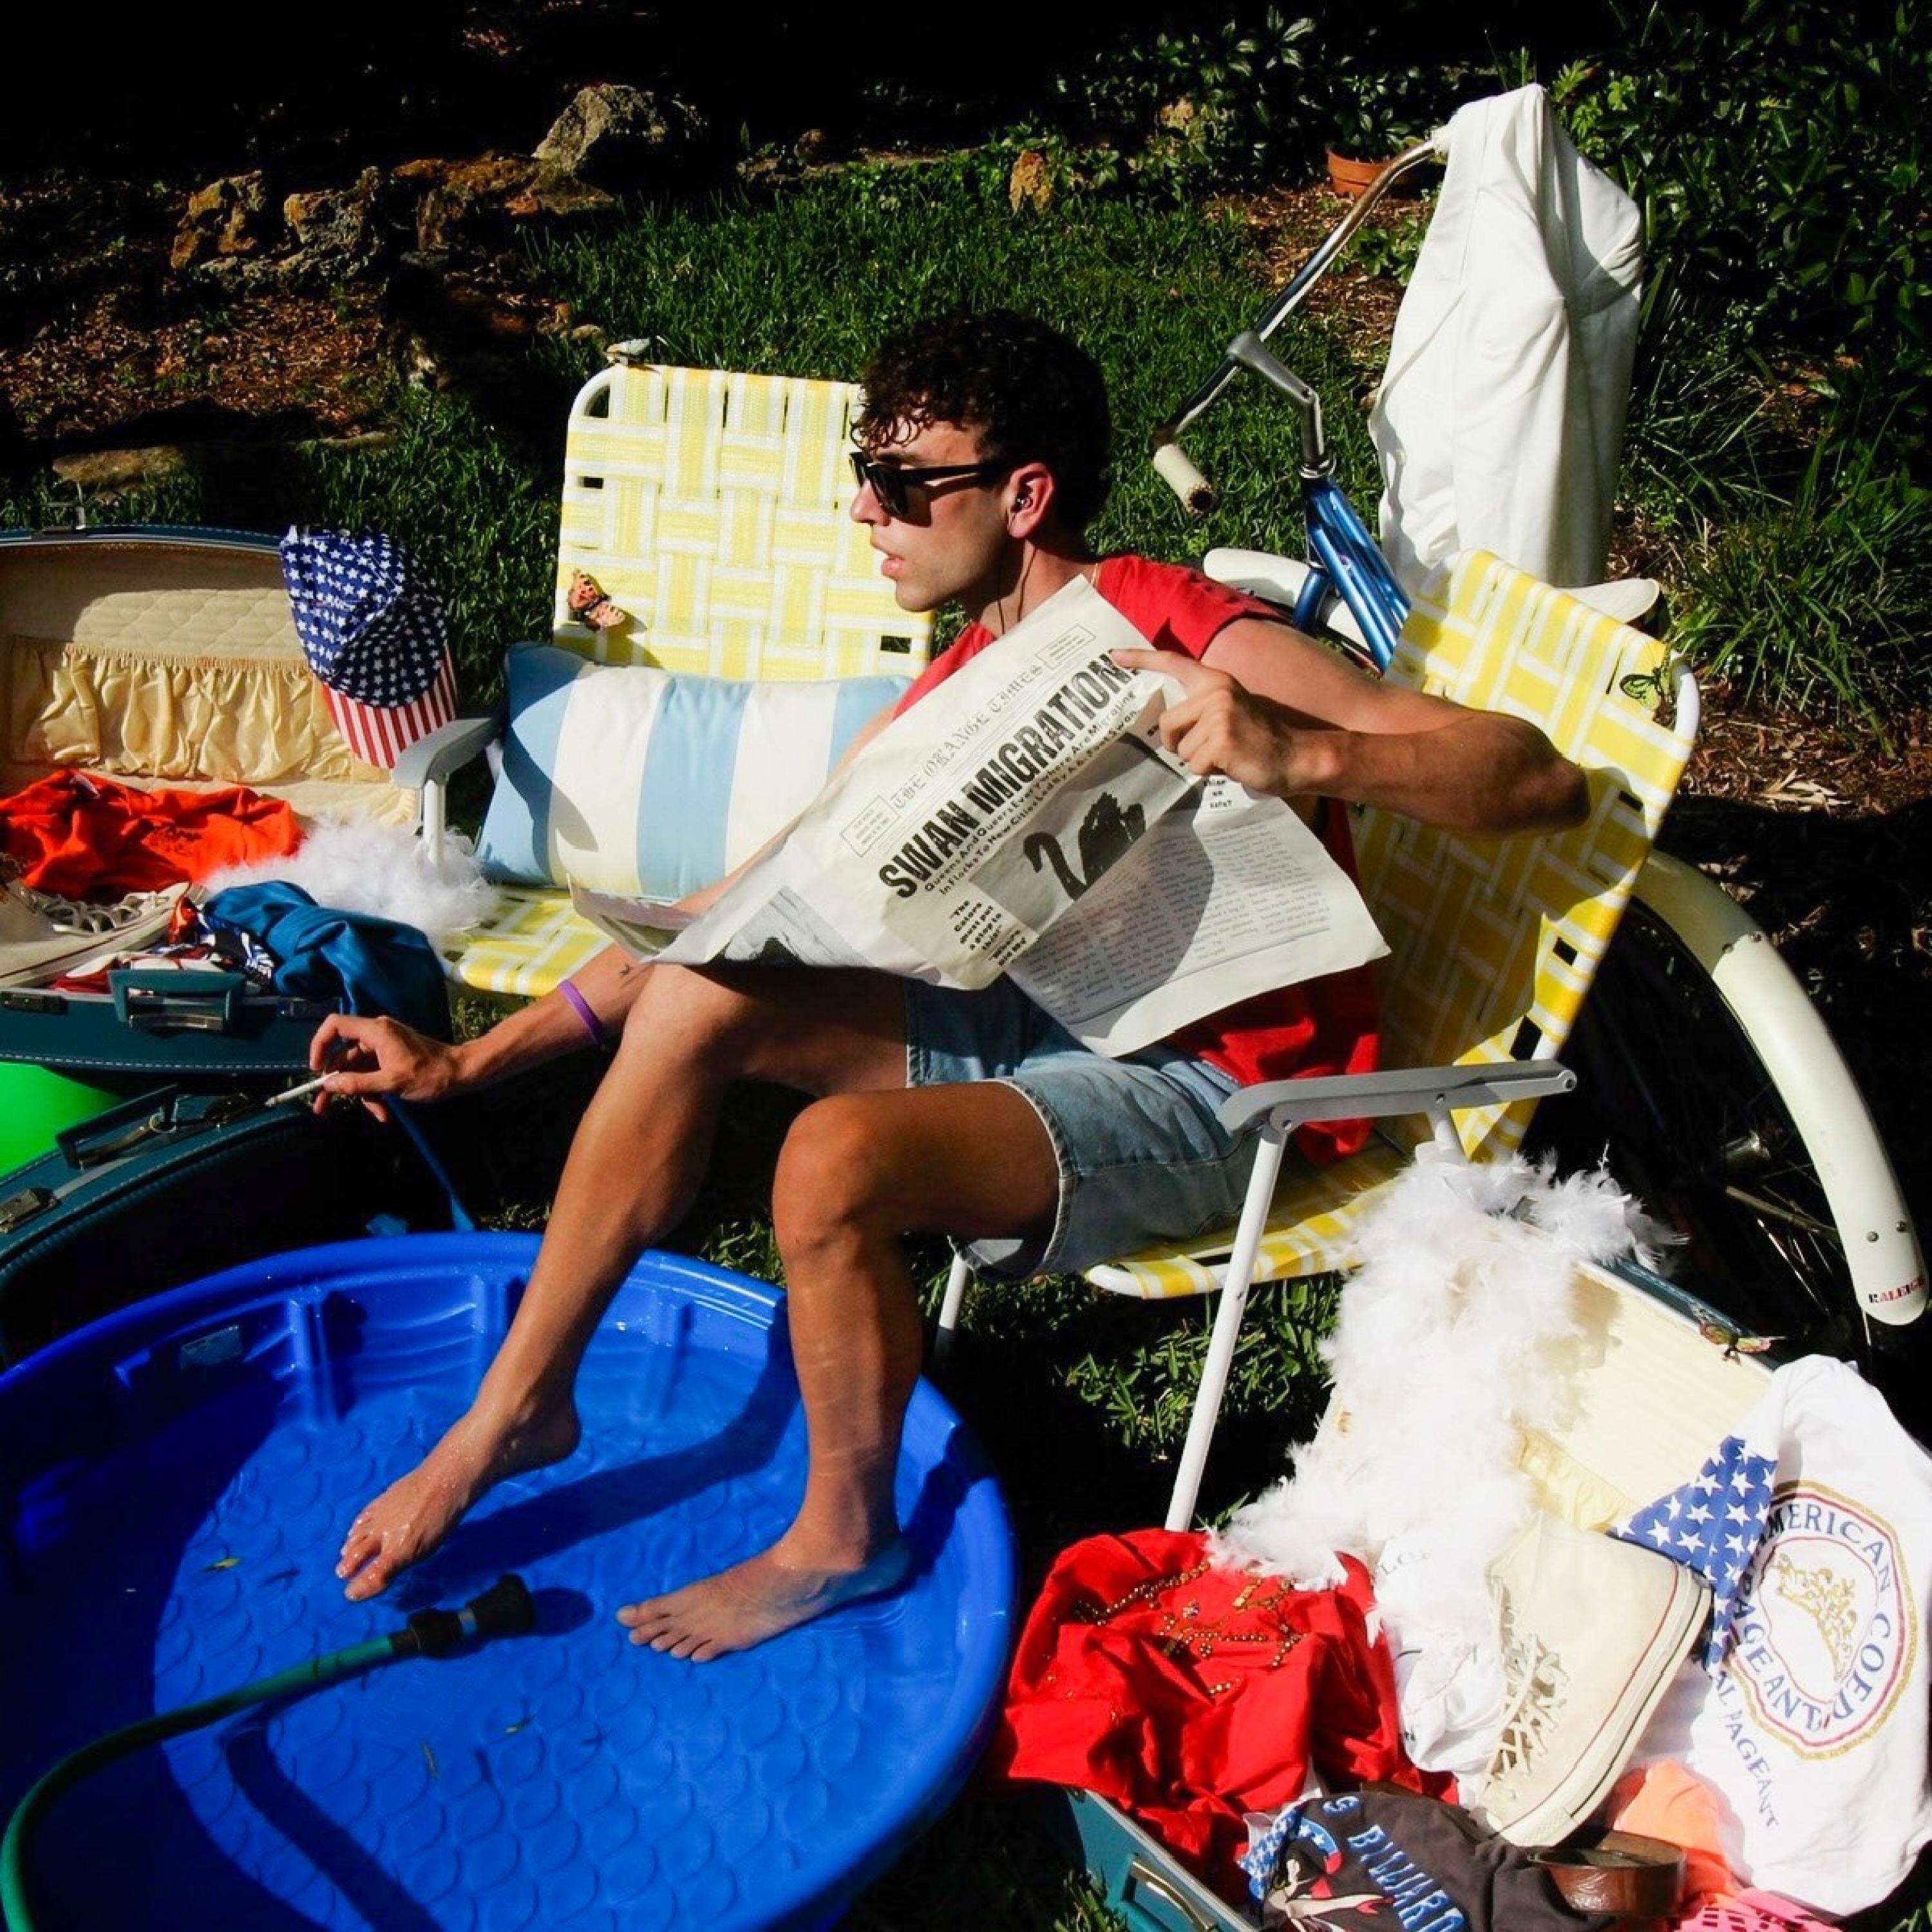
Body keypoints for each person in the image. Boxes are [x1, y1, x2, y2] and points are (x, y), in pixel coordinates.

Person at [314, 310, 1589, 1662]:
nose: (871, 512)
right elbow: (709, 922)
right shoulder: (974, 681)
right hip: (1053, 1010)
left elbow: (1535, 777)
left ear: (1025, 496)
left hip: (1222, 1091)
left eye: (907, 485)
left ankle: (845, 1538)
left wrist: (1305, 756)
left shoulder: (1182, 624)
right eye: (866, 477)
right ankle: (519, 1405)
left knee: (828, 1165)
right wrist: (464, 1067)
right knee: (699, 994)